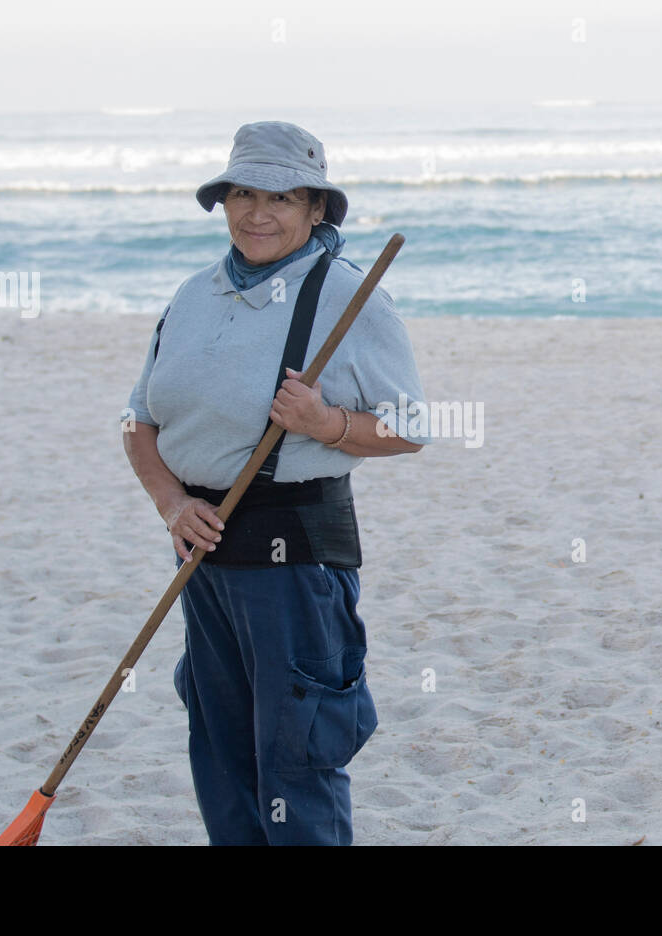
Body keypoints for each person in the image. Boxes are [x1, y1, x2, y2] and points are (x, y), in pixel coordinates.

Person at [121, 121, 431, 845]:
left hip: (296, 561)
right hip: (201, 556)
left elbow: (412, 425)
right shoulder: (193, 294)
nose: (258, 214)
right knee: (220, 747)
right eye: (243, 194)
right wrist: (172, 503)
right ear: (223, 201)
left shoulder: (350, 297)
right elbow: (138, 422)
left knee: (296, 758)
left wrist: (325, 422)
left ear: (316, 209)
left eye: (281, 197)